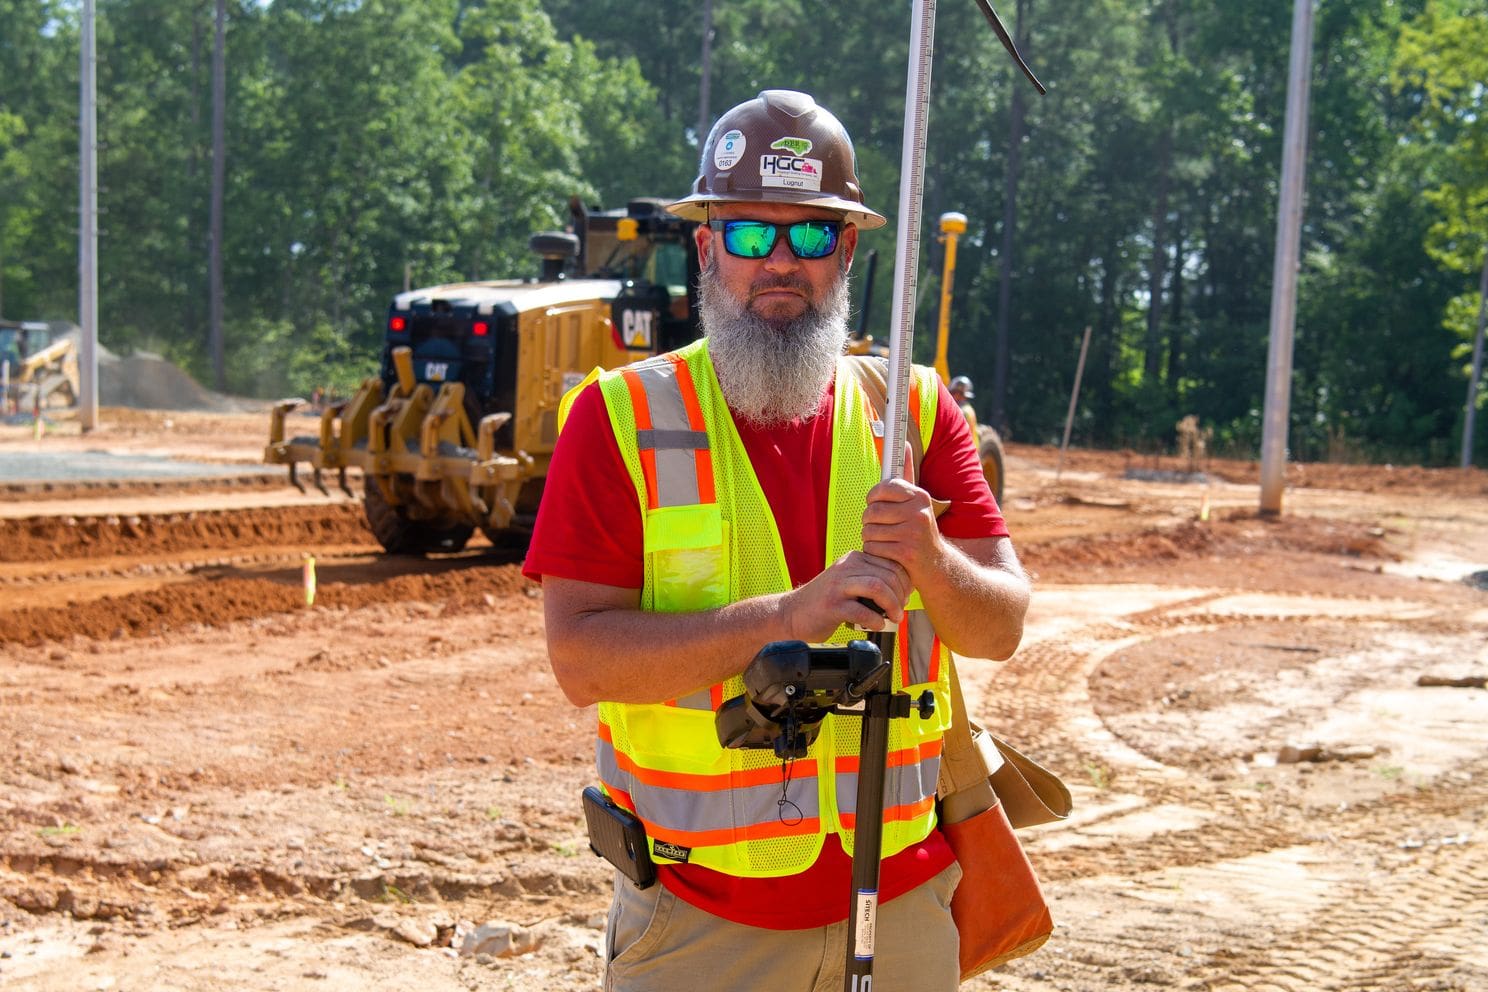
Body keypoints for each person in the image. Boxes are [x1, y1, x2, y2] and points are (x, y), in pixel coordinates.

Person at [522, 89, 1031, 992]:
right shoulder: (619, 417)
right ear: (707, 248)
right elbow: (581, 662)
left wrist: (932, 558)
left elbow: (999, 628)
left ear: (848, 251)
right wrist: (788, 617)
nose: (781, 262)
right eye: (752, 234)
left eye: (812, 235)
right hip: (701, 927)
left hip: (901, 908)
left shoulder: (914, 411)